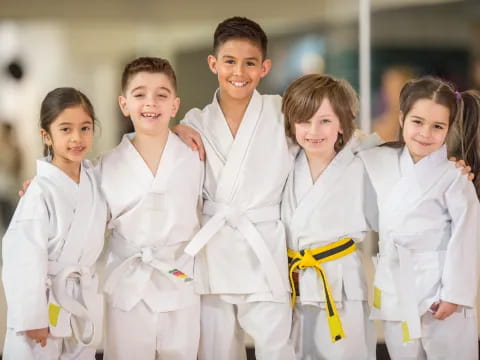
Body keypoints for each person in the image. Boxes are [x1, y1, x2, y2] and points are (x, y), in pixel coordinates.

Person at [173, 16, 296, 360]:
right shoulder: (194, 122)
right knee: (216, 352)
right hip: (215, 252)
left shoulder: (283, 113)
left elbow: (333, 145)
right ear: (213, 64)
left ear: (264, 67)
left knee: (278, 349)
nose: (238, 71)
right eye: (229, 61)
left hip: (263, 246)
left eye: (249, 63)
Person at [359, 76, 480, 359]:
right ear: (401, 118)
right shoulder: (378, 159)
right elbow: (343, 146)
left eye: (437, 126)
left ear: (449, 129)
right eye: (417, 122)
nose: (425, 133)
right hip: (394, 286)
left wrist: (455, 293)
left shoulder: (454, 176)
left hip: (439, 289)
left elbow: (467, 235)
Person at [99, 57, 203, 360]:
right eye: (140, 94)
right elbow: (75, 205)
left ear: (175, 105)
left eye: (162, 94)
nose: (151, 103)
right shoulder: (105, 167)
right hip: (127, 286)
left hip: (179, 279)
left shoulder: (195, 156)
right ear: (124, 103)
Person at [2, 87, 107, 359]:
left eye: (85, 128)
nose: (77, 138)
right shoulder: (39, 191)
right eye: (65, 129)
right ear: (46, 136)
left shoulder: (96, 179)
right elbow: (22, 257)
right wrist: (33, 316)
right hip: (44, 302)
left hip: (78, 298)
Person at [281, 74, 376, 360]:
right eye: (304, 121)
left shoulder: (365, 162)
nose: (313, 131)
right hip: (294, 281)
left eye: (325, 120)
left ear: (343, 124)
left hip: (340, 284)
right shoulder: (285, 161)